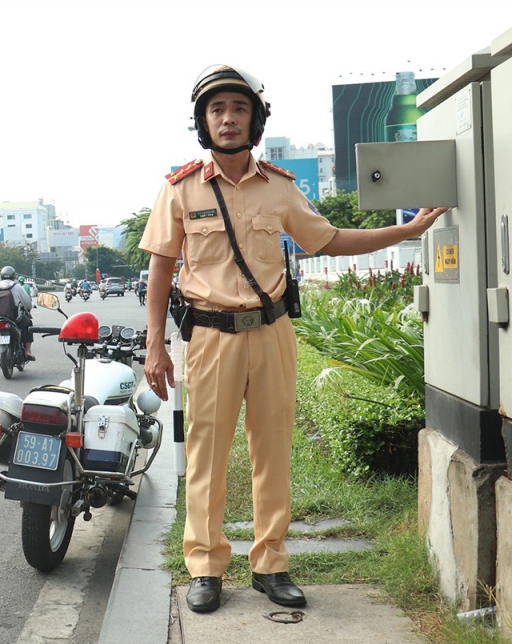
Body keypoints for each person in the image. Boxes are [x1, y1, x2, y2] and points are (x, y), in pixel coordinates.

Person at [138, 64, 449, 615]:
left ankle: (271, 563)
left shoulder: (279, 187)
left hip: (273, 333)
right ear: (202, 123)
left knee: (272, 450)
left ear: (255, 120)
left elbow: (327, 241)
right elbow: (161, 269)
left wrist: (403, 232)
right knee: (208, 456)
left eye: (238, 109)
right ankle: (206, 566)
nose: (228, 118)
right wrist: (155, 345)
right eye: (217, 110)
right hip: (210, 337)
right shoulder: (179, 189)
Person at [0, 266, 34, 360]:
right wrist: (27, 308)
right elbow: (28, 304)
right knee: (28, 323)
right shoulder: (16, 286)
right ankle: (28, 351)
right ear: (13, 276)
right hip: (14, 318)